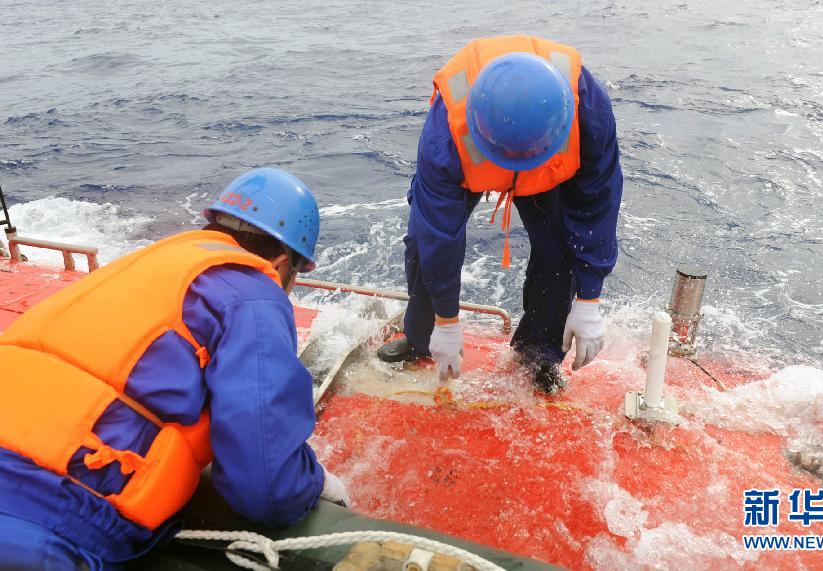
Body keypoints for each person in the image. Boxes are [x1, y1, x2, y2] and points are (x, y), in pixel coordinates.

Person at [0, 167, 349, 570]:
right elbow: (266, 488)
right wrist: (316, 483)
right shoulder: (253, 294)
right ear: (284, 262)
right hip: (48, 516)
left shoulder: (147, 264)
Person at [377, 35, 624, 392]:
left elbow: (598, 203)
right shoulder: (445, 135)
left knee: (559, 249)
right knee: (421, 244)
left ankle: (538, 354)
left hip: (548, 175)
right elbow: (437, 232)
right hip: (471, 160)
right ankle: (422, 337)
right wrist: (447, 320)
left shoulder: (590, 113)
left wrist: (590, 298)